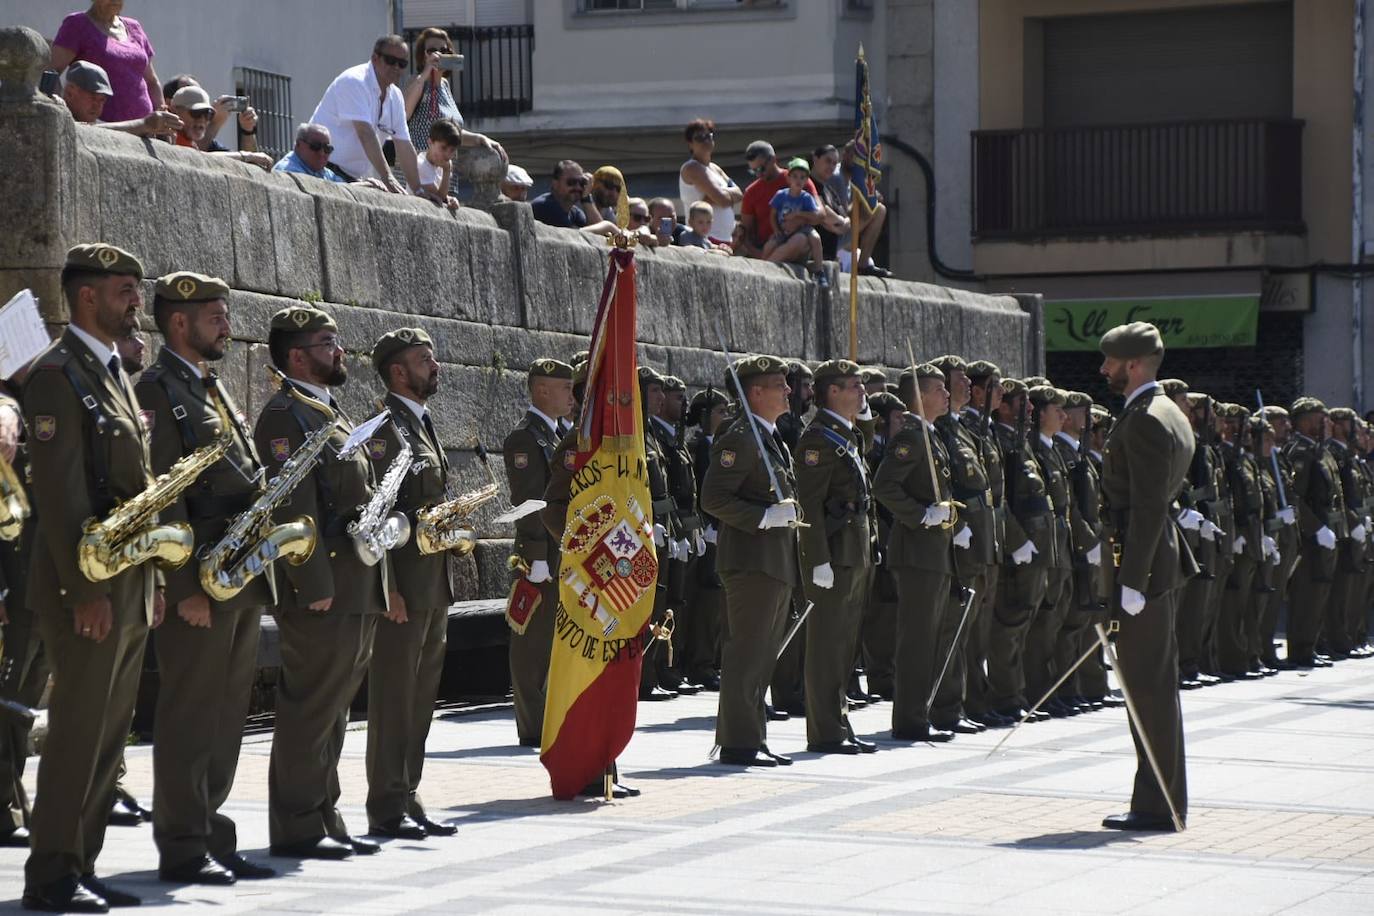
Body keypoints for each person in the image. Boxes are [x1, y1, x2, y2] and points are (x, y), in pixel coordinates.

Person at [21, 243, 164, 912]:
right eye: (124, 289)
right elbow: (60, 496)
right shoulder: (58, 374)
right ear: (87, 297)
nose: (136, 300)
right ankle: (51, 873)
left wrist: (152, 582)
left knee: (110, 733)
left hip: (128, 579)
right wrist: (88, 592)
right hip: (87, 583)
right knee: (78, 730)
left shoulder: (113, 372)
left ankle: (83, 861)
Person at [134, 271, 276, 885]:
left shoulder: (211, 387)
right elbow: (163, 497)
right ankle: (183, 844)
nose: (225, 322)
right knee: (190, 714)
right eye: (213, 315)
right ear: (178, 323)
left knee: (225, 716)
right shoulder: (159, 389)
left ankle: (212, 830)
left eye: (224, 312)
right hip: (200, 578)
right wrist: (184, 587)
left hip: (237, 575)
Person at [254, 305, 389, 861]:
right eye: (326, 343)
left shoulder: (328, 412)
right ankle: (297, 825)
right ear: (296, 356)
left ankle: (324, 811)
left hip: (355, 578)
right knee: (309, 706)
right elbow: (292, 505)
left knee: (334, 709)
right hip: (325, 581)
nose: (339, 352)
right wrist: (312, 584)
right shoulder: (287, 416)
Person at [1097, 320, 1196, 832]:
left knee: (1147, 689)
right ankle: (1160, 797)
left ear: (1133, 364)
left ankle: (1158, 805)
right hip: (1154, 563)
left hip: (1144, 568)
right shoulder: (1169, 412)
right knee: (1152, 686)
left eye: (1110, 361)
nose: (1104, 369)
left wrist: (1131, 580)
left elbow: (1149, 507)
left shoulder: (1145, 419)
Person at [363, 329, 458, 841]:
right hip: (403, 590)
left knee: (421, 698)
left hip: (432, 585)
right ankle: (385, 805)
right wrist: (388, 588)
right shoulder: (383, 430)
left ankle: (408, 792)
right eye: (425, 359)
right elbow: (376, 514)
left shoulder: (421, 424)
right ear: (398, 371)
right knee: (395, 698)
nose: (435, 364)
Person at [701, 355, 801, 767]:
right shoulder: (741, 437)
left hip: (773, 560)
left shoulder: (769, 436)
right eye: (779, 384)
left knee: (763, 654)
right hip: (751, 561)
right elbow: (713, 498)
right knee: (747, 652)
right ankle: (739, 742)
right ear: (755, 392)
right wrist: (763, 517)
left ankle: (752, 736)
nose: (789, 391)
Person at [873, 363, 960, 743]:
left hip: (935, 554)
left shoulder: (930, 435)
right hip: (917, 554)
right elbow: (884, 486)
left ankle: (920, 713)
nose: (946, 395)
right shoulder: (909, 435)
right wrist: (921, 515)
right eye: (939, 389)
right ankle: (909, 720)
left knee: (933, 637)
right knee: (917, 640)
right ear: (921, 396)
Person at [794, 360, 876, 755]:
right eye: (854, 387)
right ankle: (825, 729)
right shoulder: (818, 440)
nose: (863, 394)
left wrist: (868, 418)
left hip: (854, 551)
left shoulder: (846, 434)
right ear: (831, 393)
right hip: (834, 554)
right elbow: (808, 503)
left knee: (844, 644)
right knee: (827, 644)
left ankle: (839, 721)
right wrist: (817, 559)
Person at [501, 359, 575, 746]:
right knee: (533, 643)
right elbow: (528, 502)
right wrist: (536, 554)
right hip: (540, 557)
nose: (571, 396)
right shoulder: (525, 439)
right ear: (542, 390)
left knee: (554, 639)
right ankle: (532, 727)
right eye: (565, 388)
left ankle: (551, 716)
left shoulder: (560, 434)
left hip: (561, 553)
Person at [0, 386, 43, 852]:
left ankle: (11, 804)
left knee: (19, 708)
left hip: (41, 585)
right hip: (13, 584)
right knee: (6, 702)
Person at [310, 35, 422, 192]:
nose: (396, 67)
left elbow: (403, 144)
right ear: (375, 58)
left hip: (351, 178)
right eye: (390, 60)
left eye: (402, 63)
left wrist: (419, 191)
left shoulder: (395, 97)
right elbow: (365, 133)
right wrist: (387, 177)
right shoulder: (355, 81)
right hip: (321, 170)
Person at [1283, 397, 1346, 668]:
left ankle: (1312, 644)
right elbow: (1295, 498)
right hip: (1310, 536)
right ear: (1305, 420)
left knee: (1320, 591)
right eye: (1321, 418)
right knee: (1307, 593)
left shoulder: (1321, 451)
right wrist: (1316, 528)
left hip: (1327, 531)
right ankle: (1301, 648)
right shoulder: (1300, 452)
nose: (1326, 424)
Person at [403, 27, 505, 163]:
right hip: (420, 172)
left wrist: (479, 139)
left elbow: (450, 135)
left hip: (445, 173)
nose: (439, 55)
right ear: (422, 56)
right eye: (432, 51)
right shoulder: (417, 82)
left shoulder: (444, 85)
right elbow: (404, 113)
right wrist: (426, 72)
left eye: (445, 51)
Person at [51, 1, 164, 124]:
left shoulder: (134, 27)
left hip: (145, 128)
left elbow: (152, 81)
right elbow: (52, 71)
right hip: (103, 128)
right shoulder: (77, 24)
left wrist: (162, 112)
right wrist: (60, 108)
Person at [811, 142, 892, 277]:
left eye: (863, 159)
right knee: (877, 209)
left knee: (878, 208)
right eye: (855, 156)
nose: (859, 162)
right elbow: (837, 216)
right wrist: (861, 199)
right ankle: (862, 264)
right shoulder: (835, 178)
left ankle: (863, 263)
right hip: (829, 238)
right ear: (845, 155)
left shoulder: (842, 183)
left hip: (837, 234)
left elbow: (841, 213)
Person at [739, 140, 822, 258]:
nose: (758, 174)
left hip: (796, 243)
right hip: (768, 246)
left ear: (773, 159)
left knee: (800, 239)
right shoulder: (751, 192)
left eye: (761, 169)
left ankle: (768, 266)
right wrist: (757, 253)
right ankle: (768, 264)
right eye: (753, 171)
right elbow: (745, 232)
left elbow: (820, 215)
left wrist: (799, 217)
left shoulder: (798, 179)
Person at [60, 60, 181, 135]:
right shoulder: (57, 114)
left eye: (102, 99)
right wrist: (145, 124)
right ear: (71, 92)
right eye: (92, 97)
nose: (97, 105)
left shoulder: (102, 125)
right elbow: (84, 132)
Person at [168, 85, 272, 170]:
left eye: (208, 114)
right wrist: (245, 156)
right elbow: (199, 158)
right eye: (196, 113)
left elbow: (252, 166)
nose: (202, 120)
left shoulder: (189, 140)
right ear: (175, 110)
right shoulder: (168, 134)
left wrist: (248, 130)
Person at [678, 118, 741, 245]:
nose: (706, 140)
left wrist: (716, 196)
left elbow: (739, 193)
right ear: (690, 144)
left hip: (724, 239)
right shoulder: (692, 167)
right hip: (704, 240)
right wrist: (721, 197)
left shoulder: (715, 168)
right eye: (700, 137)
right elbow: (723, 201)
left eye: (708, 135)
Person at [763, 158, 826, 282]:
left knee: (816, 238)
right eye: (795, 176)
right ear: (788, 178)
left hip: (801, 229)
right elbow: (773, 215)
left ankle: (819, 271)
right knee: (769, 245)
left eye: (802, 177)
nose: (798, 180)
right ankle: (761, 265)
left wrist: (798, 215)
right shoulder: (781, 195)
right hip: (783, 230)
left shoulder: (806, 198)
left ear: (806, 180)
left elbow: (813, 215)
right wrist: (776, 229)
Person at [273, 123, 348, 183]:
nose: (321, 153)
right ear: (298, 144)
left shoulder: (324, 172)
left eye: (327, 148)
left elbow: (343, 187)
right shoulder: (288, 170)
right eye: (315, 146)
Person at [416, 118, 462, 210]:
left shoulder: (441, 165)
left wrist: (451, 199)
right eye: (443, 148)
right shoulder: (421, 165)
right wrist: (447, 171)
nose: (447, 155)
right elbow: (439, 198)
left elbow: (443, 197)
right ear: (430, 142)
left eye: (452, 150)